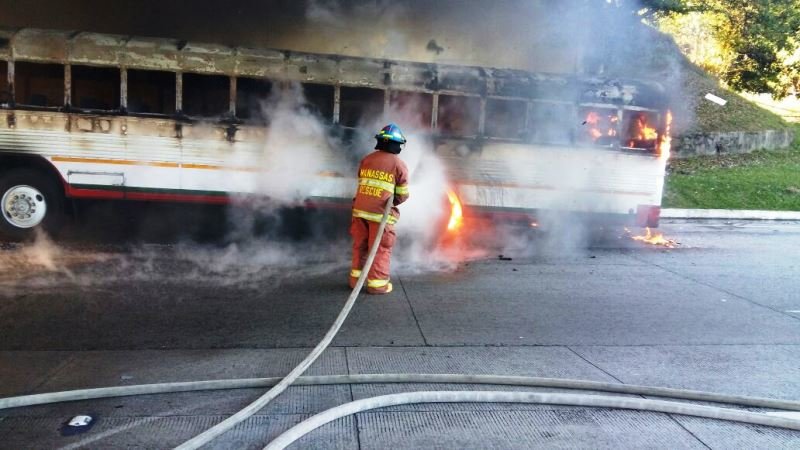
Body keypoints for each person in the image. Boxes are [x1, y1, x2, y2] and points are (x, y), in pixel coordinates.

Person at [349, 123, 410, 294]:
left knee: (360, 245)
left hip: (359, 210)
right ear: (397, 144)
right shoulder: (398, 164)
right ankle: (377, 285)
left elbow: (362, 182)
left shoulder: (367, 159)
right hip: (380, 215)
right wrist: (392, 200)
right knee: (380, 249)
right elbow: (403, 194)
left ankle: (356, 282)